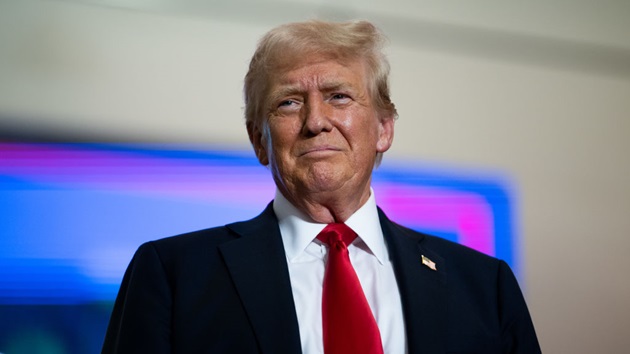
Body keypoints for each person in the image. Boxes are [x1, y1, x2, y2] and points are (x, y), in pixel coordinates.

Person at [101, 20, 541, 354]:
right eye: (289, 102)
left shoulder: (484, 286)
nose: (315, 122)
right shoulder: (173, 274)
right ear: (260, 140)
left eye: (339, 96)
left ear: (384, 129)